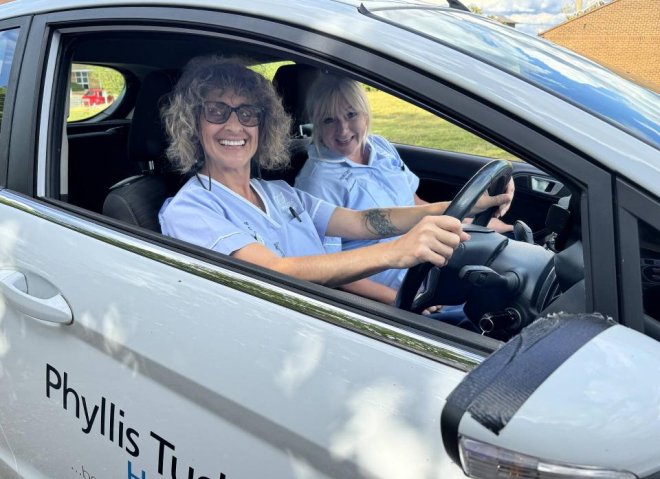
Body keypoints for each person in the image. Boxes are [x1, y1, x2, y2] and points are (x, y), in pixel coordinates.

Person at [158, 55, 506, 315]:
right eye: (217, 112)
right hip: (304, 325)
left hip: (332, 312)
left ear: (263, 126)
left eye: (248, 113)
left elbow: (361, 222)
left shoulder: (279, 192)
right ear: (193, 124)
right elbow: (276, 272)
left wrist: (459, 207)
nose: (235, 126)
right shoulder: (190, 208)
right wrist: (396, 253)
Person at [294, 74, 514, 313]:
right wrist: (398, 298)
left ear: (365, 112)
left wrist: (475, 222)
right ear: (316, 122)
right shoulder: (318, 181)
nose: (343, 130)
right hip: (401, 291)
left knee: (508, 275)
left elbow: (414, 203)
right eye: (329, 120)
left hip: (430, 261)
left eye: (351, 115)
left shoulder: (380, 146)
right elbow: (331, 269)